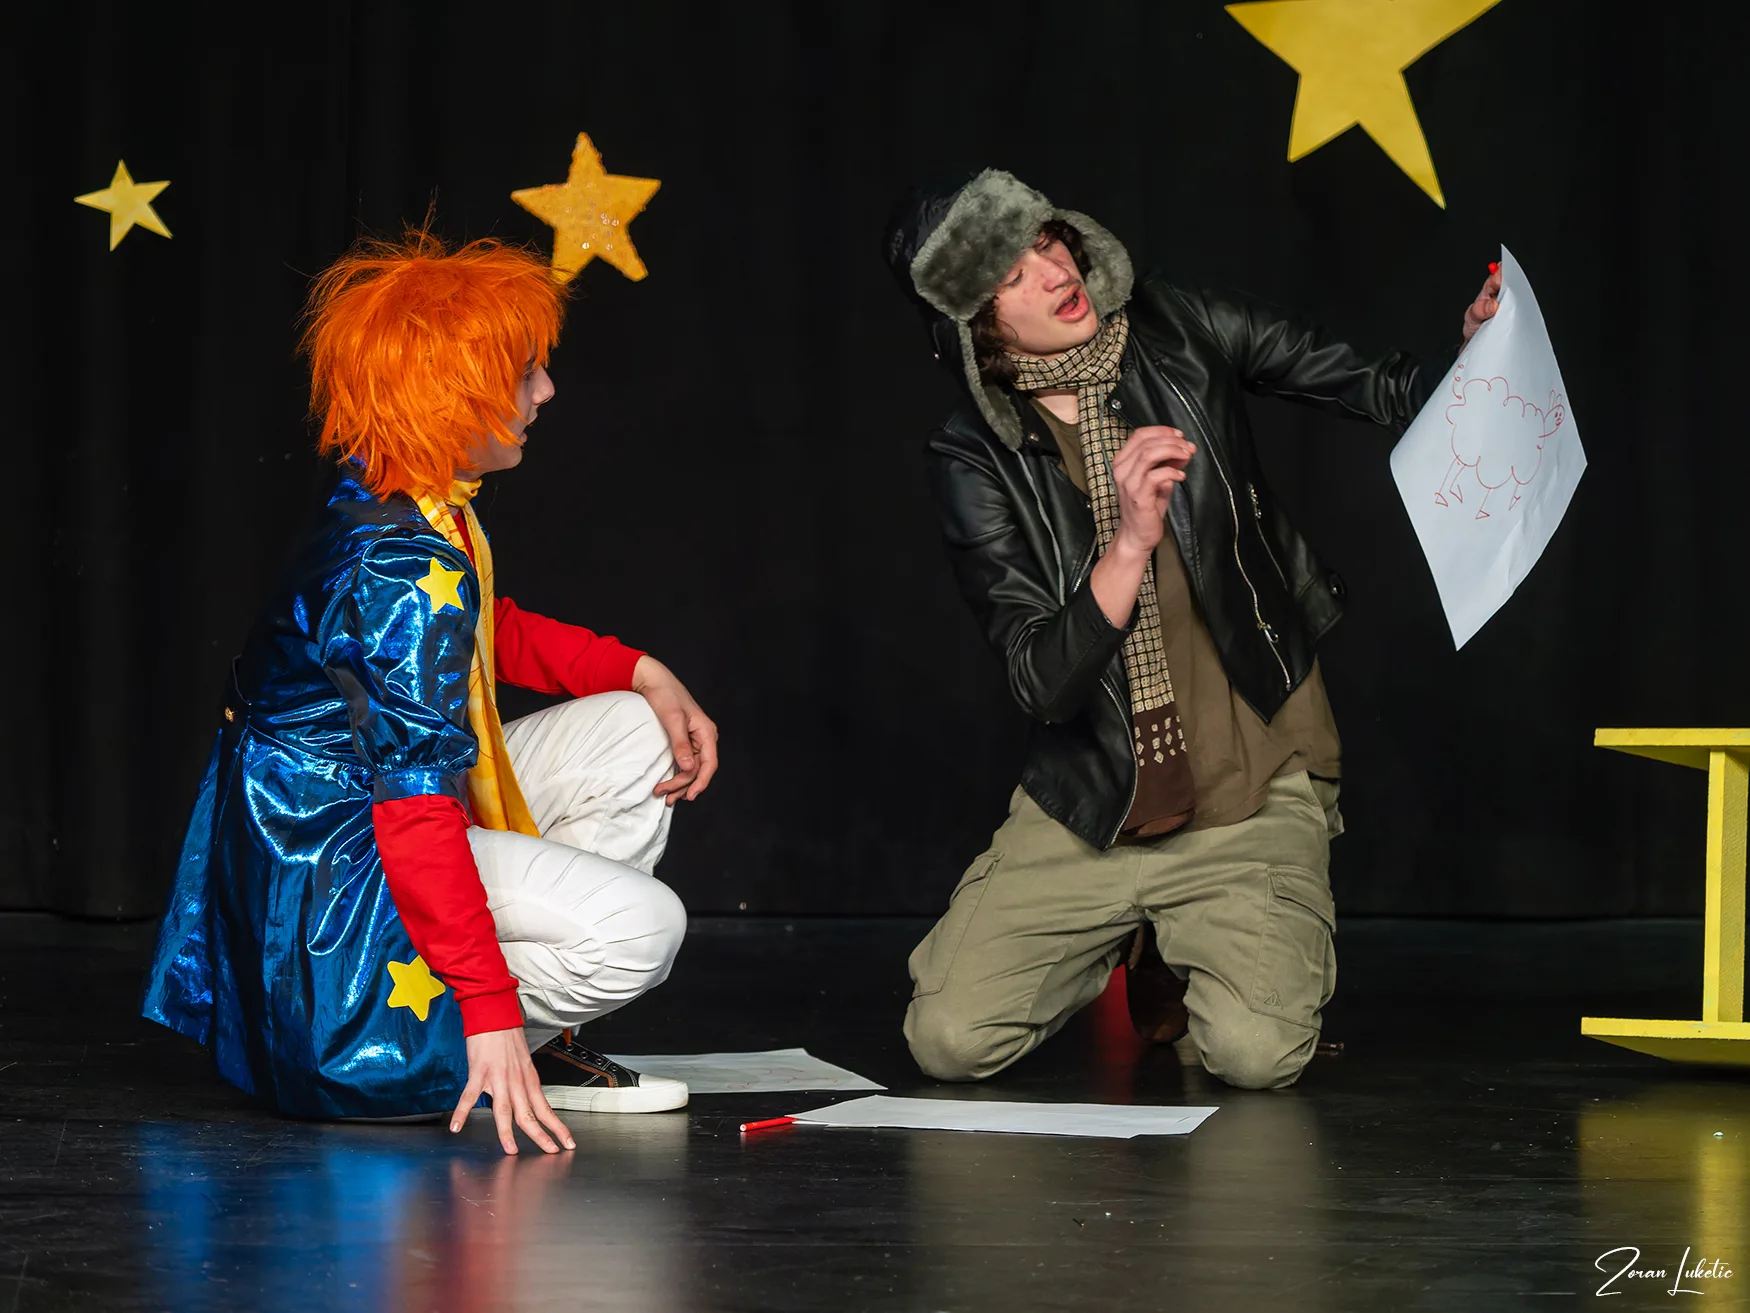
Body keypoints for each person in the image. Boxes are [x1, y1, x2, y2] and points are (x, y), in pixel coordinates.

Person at [883, 170, 1498, 1089]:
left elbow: (1373, 384)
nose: (1053, 272)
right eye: (1012, 275)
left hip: (1248, 775)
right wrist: (1129, 541)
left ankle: (1183, 939)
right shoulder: (973, 454)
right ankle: (1140, 929)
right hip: (1098, 800)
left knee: (1254, 1055)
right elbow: (1040, 680)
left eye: (1046, 242)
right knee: (949, 1038)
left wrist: (1477, 358)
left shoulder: (1178, 324)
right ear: (980, 328)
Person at [142, 231, 719, 1153]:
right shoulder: (401, 563)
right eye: (525, 374)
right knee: (644, 931)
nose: (546, 391)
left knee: (638, 730)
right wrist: (488, 1004)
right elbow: (412, 808)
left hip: (343, 826)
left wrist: (645, 671)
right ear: (454, 394)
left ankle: (534, 1037)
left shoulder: (401, 493)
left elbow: (481, 629)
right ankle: (461, 1044)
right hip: (339, 877)